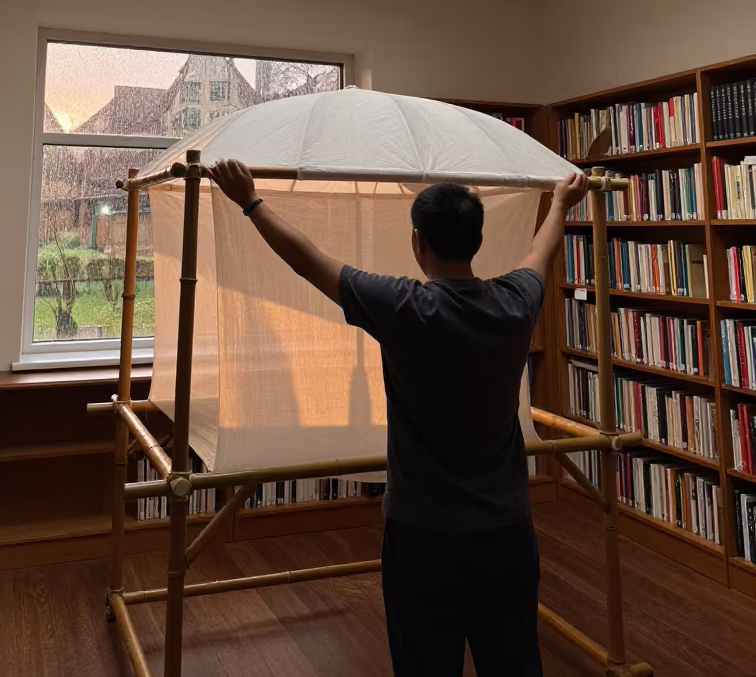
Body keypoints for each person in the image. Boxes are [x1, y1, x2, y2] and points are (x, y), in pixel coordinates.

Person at [206, 159, 589, 677]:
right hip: (507, 531)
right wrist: (562, 202)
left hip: (424, 534)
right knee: (514, 661)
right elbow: (541, 251)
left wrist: (250, 201)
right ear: (476, 239)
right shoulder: (515, 303)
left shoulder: (404, 307)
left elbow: (307, 259)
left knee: (425, 663)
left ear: (418, 243)